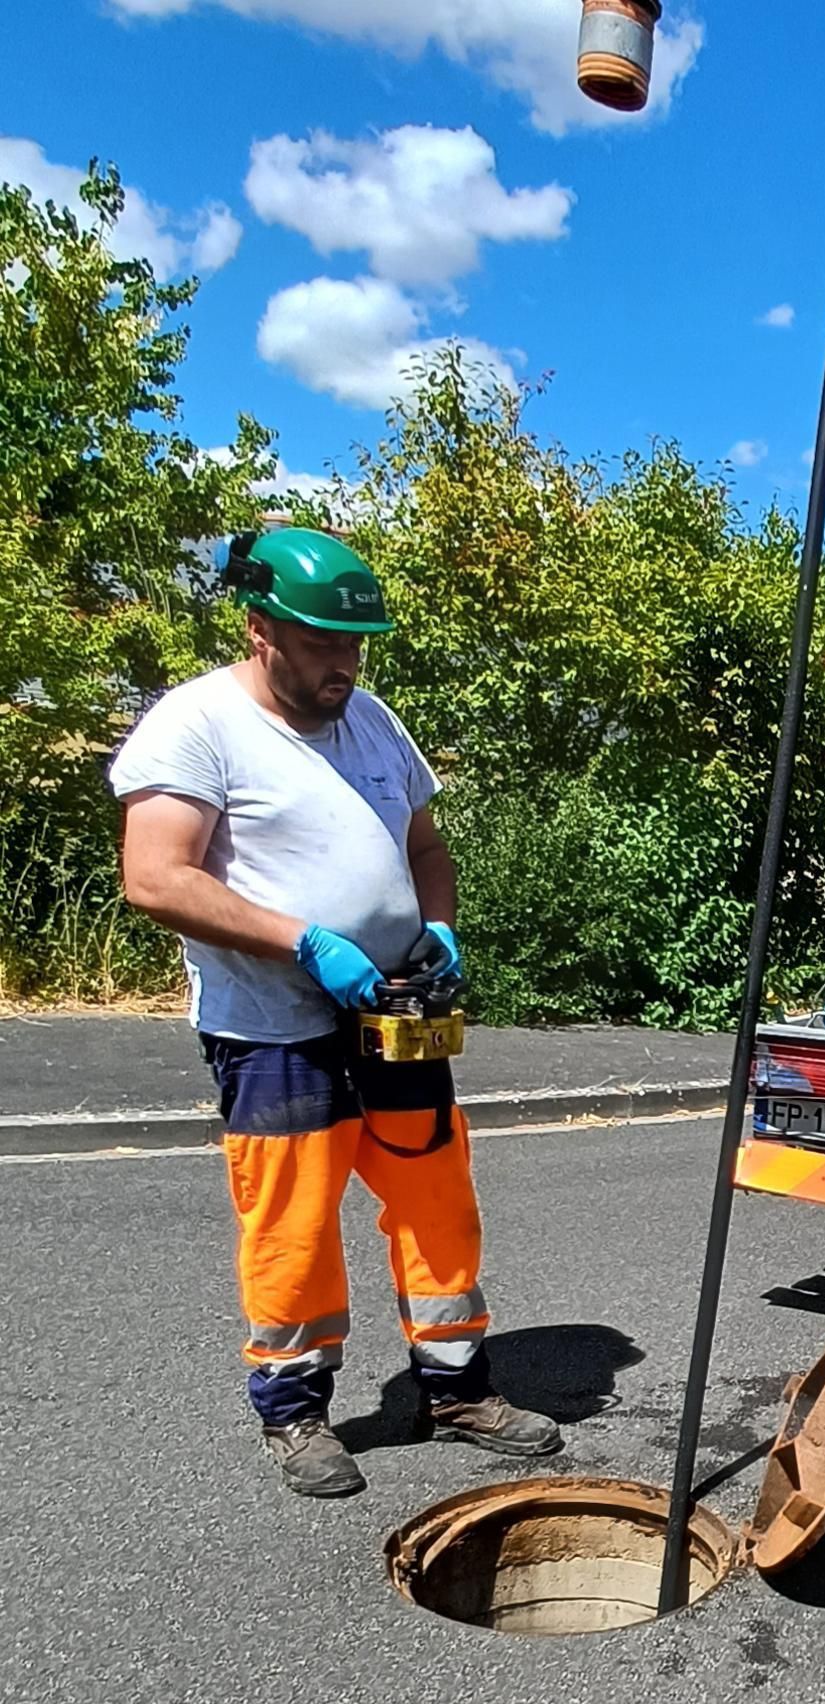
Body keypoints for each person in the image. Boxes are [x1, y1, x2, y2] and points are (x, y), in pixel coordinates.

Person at [109, 526, 561, 1497]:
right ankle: (296, 1411)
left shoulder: (372, 720)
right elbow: (153, 877)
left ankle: (456, 1391)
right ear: (261, 627)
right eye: (323, 644)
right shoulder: (195, 727)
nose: (344, 665)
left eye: (356, 646)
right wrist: (304, 941)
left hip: (393, 1016)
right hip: (273, 1029)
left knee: (436, 1203)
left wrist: (435, 930)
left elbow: (425, 850)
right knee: (294, 1227)